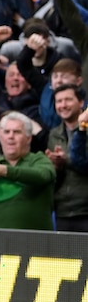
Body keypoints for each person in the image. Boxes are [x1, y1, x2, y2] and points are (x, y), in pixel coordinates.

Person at [0, 112, 55, 230]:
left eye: (17, 132)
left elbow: (44, 175)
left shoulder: (38, 159)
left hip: (35, 242)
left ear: (28, 138)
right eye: (6, 132)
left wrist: (5, 171)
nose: (10, 136)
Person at [46, 84, 88, 231]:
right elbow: (56, 177)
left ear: (81, 102)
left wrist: (66, 160)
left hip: (85, 210)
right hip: (62, 210)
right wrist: (55, 165)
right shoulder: (54, 134)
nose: (63, 105)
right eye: (59, 101)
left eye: (68, 100)